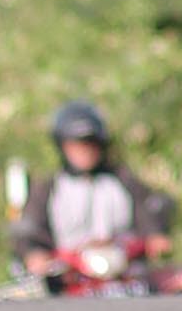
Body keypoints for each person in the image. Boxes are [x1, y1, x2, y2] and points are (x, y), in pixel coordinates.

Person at [19, 96, 141, 281]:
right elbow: (28, 228)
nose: (84, 152)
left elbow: (151, 211)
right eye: (76, 145)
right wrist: (34, 253)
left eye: (89, 144)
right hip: (69, 276)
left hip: (123, 273)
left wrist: (154, 237)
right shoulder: (48, 188)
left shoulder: (122, 182)